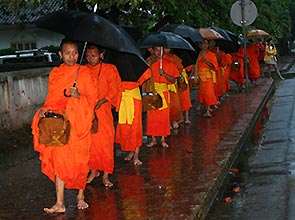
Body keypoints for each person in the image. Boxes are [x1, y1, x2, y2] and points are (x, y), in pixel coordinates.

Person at [31, 39, 98, 214]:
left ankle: (80, 196)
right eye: (67, 53)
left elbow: (92, 100)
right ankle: (60, 202)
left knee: (81, 160)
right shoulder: (56, 73)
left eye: (75, 52)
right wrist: (45, 111)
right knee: (60, 161)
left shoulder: (84, 73)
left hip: (79, 124)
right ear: (60, 55)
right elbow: (51, 99)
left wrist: (78, 96)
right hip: (60, 125)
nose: (71, 56)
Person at [85, 44, 121, 187]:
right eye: (88, 56)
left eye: (93, 55)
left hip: (104, 111)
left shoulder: (110, 69)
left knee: (106, 144)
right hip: (88, 112)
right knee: (91, 144)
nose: (90, 58)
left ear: (101, 55)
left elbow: (115, 89)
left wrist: (103, 100)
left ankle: (106, 174)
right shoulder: (83, 71)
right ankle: (93, 171)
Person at [144, 46, 179, 148]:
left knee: (163, 116)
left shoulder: (169, 64)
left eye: (161, 50)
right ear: (153, 51)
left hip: (163, 92)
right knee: (152, 117)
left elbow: (173, 80)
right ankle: (154, 139)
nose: (159, 52)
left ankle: (163, 139)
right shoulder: (149, 63)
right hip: (152, 92)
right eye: (157, 50)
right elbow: (145, 79)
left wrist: (164, 74)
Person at [115, 69, 151, 165]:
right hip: (123, 98)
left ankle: (136, 155)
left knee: (135, 127)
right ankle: (131, 151)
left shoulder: (136, 68)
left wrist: (143, 94)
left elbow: (144, 81)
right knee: (125, 126)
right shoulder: (116, 69)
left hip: (134, 99)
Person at [196, 39, 219, 117]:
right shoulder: (197, 54)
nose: (205, 45)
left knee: (208, 93)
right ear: (200, 45)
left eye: (206, 43)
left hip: (208, 76)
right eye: (203, 43)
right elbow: (195, 66)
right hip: (199, 76)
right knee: (201, 92)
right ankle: (203, 105)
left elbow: (214, 66)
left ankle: (208, 110)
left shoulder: (212, 55)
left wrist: (206, 62)